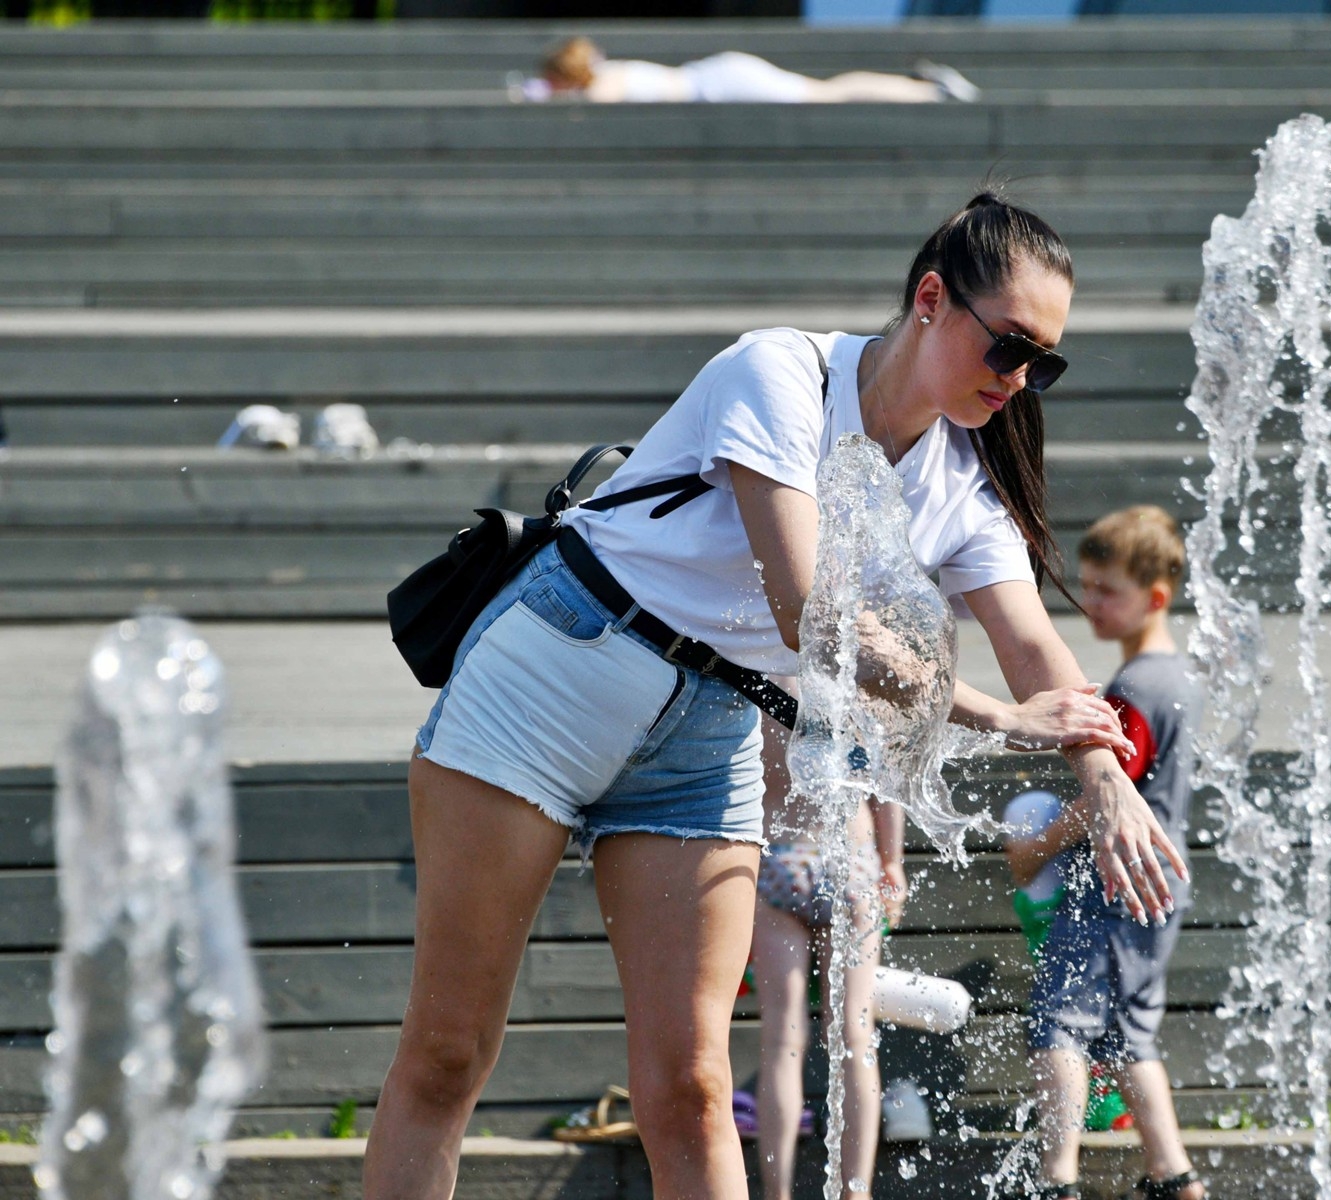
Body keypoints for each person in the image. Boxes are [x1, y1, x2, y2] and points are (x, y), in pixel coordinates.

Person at [360, 191, 1186, 1200]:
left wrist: (1104, 777)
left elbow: (1036, 649)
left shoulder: (963, 484)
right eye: (1011, 347)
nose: (1020, 381)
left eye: (1043, 363)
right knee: (450, 1052)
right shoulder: (779, 372)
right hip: (559, 667)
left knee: (695, 1088)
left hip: (709, 729)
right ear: (931, 298)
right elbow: (812, 612)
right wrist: (998, 718)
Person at [1002, 505, 1205, 1200]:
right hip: (1162, 883)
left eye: (1105, 590)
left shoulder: (1135, 691)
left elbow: (1109, 798)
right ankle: (1172, 1176)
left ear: (1154, 597)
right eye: (1084, 586)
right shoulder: (1180, 679)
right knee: (1128, 1033)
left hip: (1118, 879)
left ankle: (1055, 1181)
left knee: (1059, 1020)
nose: (1088, 603)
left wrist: (1035, 848)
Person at [752, 700, 905, 1200]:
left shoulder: (757, 664)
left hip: (780, 852)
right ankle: (853, 1193)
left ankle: (777, 1194)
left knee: (782, 1041)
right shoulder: (857, 684)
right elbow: (887, 784)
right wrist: (893, 864)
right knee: (855, 1037)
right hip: (850, 857)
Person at [516, 35, 978, 104]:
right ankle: (926, 87)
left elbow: (597, 102)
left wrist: (541, 95)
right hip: (720, 75)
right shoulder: (606, 69)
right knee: (825, 89)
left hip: (722, 81)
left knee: (824, 93)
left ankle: (929, 91)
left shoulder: (604, 80)